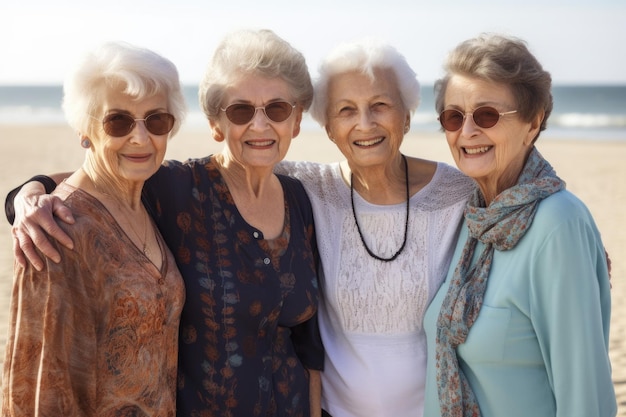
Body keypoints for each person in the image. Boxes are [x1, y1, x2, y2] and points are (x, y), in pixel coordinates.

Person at [5, 29, 323, 417]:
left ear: (296, 120)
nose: (260, 125)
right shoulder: (176, 188)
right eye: (241, 111)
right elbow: (95, 183)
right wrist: (25, 195)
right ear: (216, 124)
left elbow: (309, 341)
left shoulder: (300, 198)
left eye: (276, 109)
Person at [274, 39, 475, 416]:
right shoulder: (308, 188)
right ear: (330, 128)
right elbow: (230, 173)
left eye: (380, 106)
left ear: (407, 116)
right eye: (346, 110)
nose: (364, 124)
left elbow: (520, 209)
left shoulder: (458, 193)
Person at [422, 33, 617, 417]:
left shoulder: (558, 225)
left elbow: (585, 396)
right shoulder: (472, 216)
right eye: (453, 116)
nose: (467, 131)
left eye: (487, 115)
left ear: (533, 122)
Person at [1, 42, 187, 415]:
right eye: (118, 121)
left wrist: (29, 186)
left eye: (156, 120)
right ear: (84, 129)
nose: (140, 137)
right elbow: (41, 391)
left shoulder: (148, 200)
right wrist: (24, 197)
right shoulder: (58, 230)